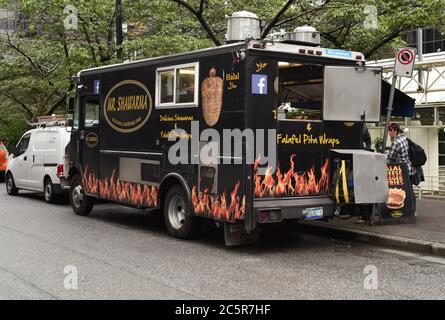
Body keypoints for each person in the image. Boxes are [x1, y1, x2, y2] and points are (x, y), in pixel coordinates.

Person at [386, 123, 416, 212]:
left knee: (404, 191)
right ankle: (413, 210)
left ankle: (407, 211)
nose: (389, 134)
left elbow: (390, 156)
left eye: (389, 132)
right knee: (410, 191)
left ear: (393, 131)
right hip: (410, 168)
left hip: (403, 170)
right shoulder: (404, 138)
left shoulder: (396, 141)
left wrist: (385, 152)